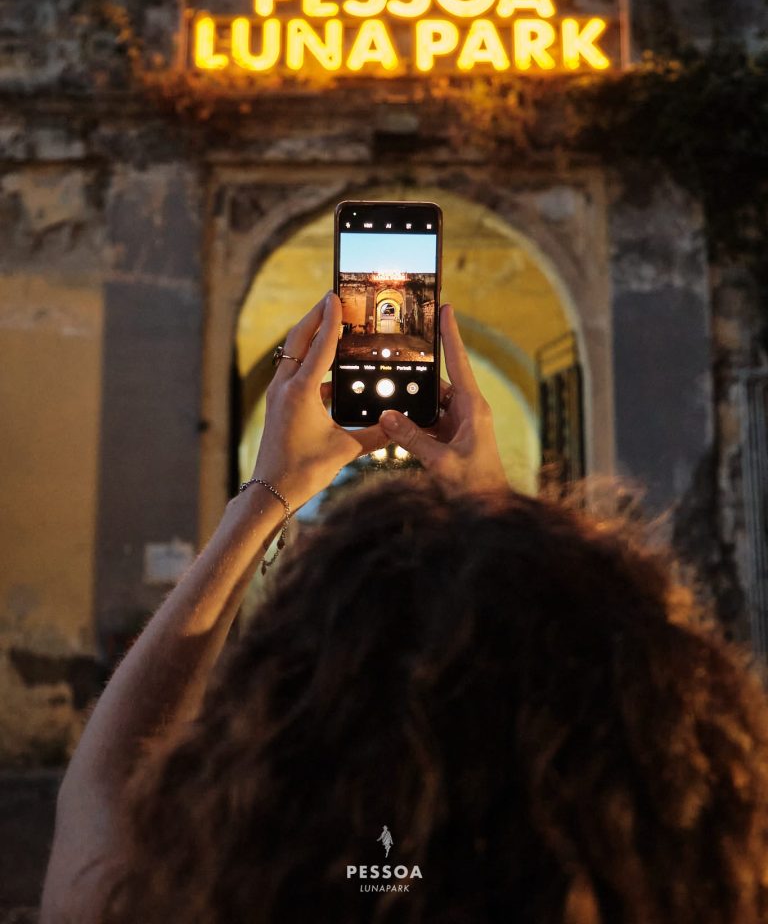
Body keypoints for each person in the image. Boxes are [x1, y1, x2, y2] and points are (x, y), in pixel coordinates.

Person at [41, 294, 768, 924]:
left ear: (278, 713)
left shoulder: (195, 901)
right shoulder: (681, 891)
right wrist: (494, 517)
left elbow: (106, 783)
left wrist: (265, 498)